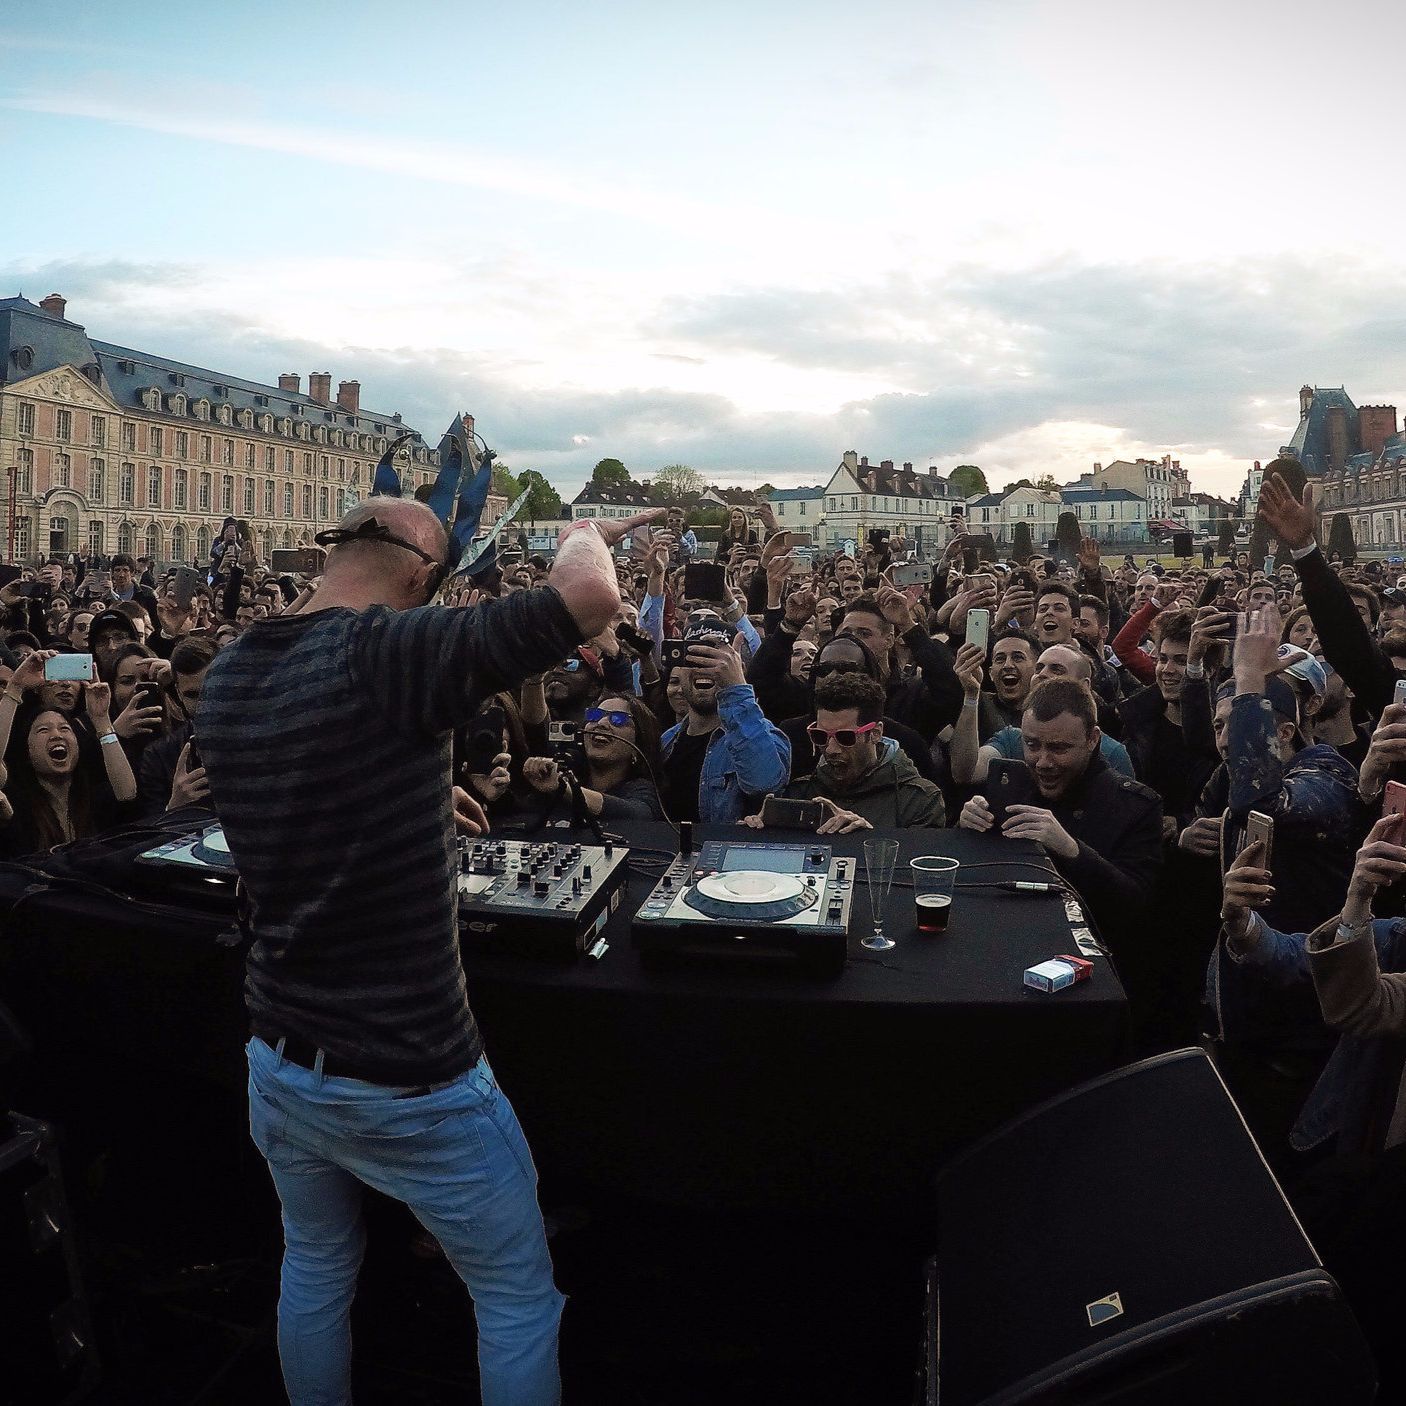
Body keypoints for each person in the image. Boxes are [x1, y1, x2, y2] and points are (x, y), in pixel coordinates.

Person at [199, 496, 658, 1405]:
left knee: (318, 1263)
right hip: (410, 1074)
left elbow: (291, 805)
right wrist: (586, 533)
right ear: (421, 573)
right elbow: (589, 598)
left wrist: (406, 795)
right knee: (517, 1295)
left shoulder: (233, 670)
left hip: (280, 1055)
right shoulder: (386, 648)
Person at [957, 679, 1163, 955]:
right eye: (1031, 745)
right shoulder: (1010, 787)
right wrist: (965, 826)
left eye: (1058, 748)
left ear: (1092, 739)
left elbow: (1135, 907)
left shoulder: (1136, 806)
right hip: (1001, 945)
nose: (1042, 761)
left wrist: (1072, 850)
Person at [748, 672, 944, 831]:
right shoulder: (800, 793)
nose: (831, 749)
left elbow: (921, 870)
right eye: (820, 736)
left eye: (845, 737)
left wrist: (867, 839)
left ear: (875, 733)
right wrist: (759, 834)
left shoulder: (920, 800)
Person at [659, 618, 790, 824]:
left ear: (739, 669)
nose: (704, 667)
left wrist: (736, 689)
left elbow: (763, 784)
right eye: (693, 659)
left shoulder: (767, 736)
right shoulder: (667, 740)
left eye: (718, 661)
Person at [522, 692, 664, 820]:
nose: (601, 723)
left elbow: (638, 814)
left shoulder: (641, 789)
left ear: (638, 746)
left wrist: (565, 788)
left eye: (618, 719)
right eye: (594, 715)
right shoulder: (561, 773)